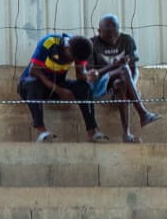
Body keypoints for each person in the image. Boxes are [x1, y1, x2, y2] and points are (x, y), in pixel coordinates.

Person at [84, 14, 156, 142]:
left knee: (120, 83)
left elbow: (134, 69)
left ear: (119, 29)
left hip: (120, 84)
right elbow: (91, 76)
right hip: (101, 87)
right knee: (123, 69)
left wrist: (131, 87)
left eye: (114, 34)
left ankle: (126, 134)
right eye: (107, 35)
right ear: (99, 31)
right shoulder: (91, 44)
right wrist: (113, 66)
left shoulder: (127, 41)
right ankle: (143, 112)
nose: (112, 39)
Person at [17, 32, 98, 142]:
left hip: (57, 85)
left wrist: (89, 76)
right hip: (32, 86)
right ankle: (42, 131)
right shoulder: (49, 43)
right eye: (72, 57)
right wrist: (59, 90)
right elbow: (33, 71)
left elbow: (80, 74)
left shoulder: (79, 50)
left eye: (75, 60)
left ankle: (92, 132)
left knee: (85, 87)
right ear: (67, 47)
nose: (71, 61)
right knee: (33, 84)